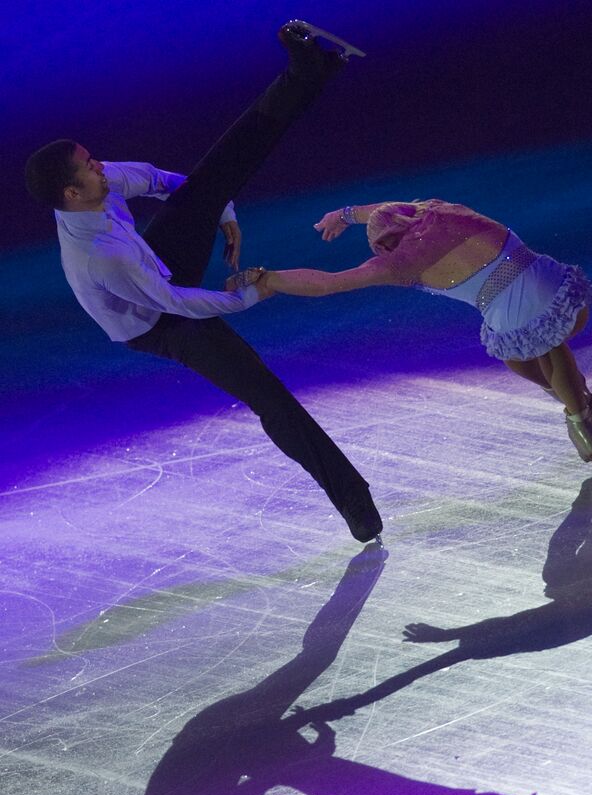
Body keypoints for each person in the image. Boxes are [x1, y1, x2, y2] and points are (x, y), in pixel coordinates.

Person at [23, 22, 382, 543]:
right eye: (89, 166)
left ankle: (306, 73)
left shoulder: (99, 185)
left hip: (156, 267)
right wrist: (251, 294)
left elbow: (164, 181)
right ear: (72, 194)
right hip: (160, 321)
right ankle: (353, 499)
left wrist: (222, 208)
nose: (100, 166)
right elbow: (177, 302)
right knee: (266, 394)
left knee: (217, 171)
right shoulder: (100, 257)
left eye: (92, 159)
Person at [254, 198, 592, 466]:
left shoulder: (395, 264)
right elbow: (391, 209)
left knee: (538, 346)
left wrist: (269, 279)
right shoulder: (437, 208)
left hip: (517, 316)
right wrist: (345, 215)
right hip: (560, 290)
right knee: (529, 353)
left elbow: (328, 283)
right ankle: (575, 398)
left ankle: (581, 419)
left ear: (382, 246)